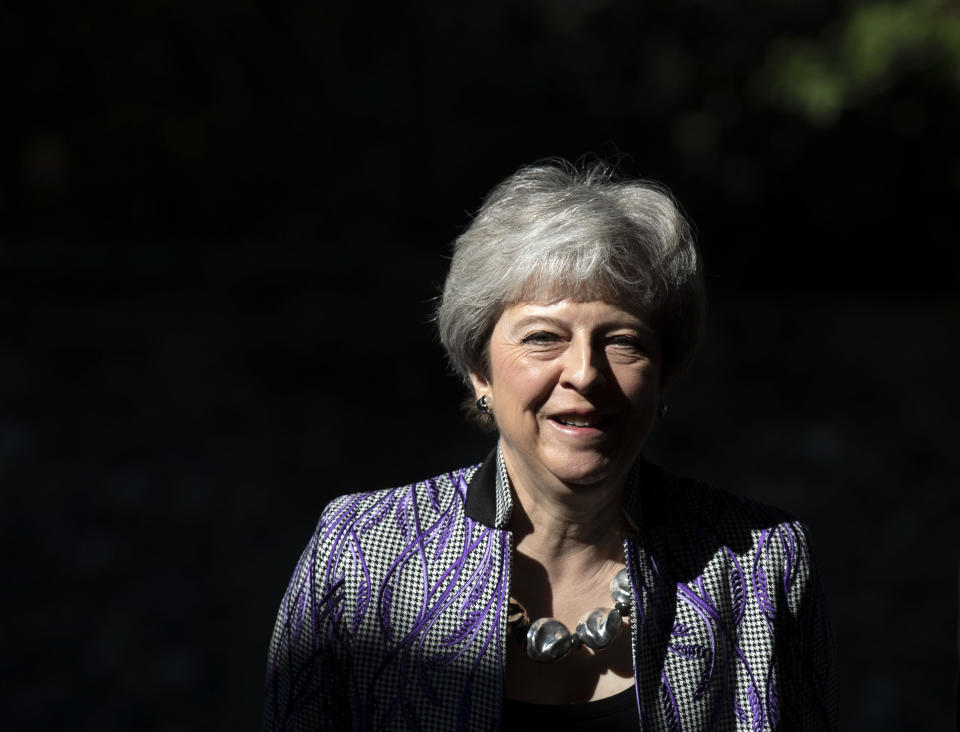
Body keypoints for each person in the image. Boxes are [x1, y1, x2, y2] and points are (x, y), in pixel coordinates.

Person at [262, 159, 838, 731]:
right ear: (479, 371)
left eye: (622, 340)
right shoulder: (362, 557)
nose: (585, 374)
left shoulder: (759, 565)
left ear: (664, 375)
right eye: (543, 337)